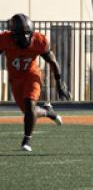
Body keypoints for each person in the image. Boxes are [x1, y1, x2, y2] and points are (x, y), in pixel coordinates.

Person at [0, 13, 71, 152]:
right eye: (21, 34)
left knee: (29, 104)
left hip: (32, 75)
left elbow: (53, 61)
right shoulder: (4, 39)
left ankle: (26, 140)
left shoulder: (39, 40)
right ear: (13, 35)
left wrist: (59, 82)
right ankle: (48, 111)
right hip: (16, 79)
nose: (26, 38)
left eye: (28, 34)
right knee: (29, 112)